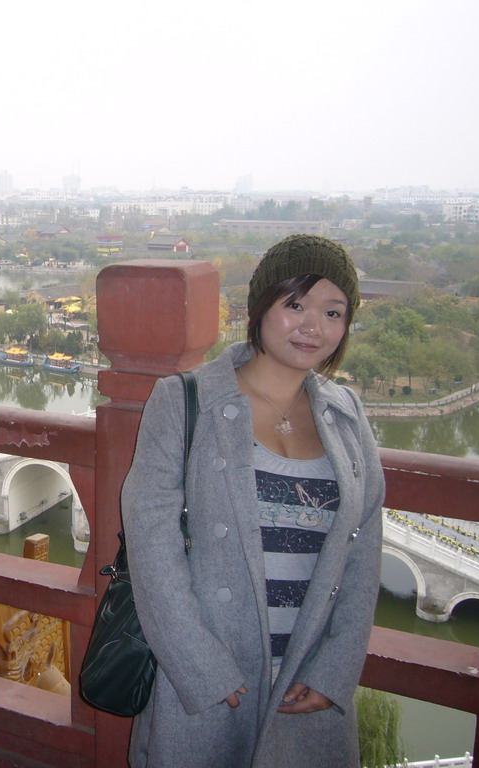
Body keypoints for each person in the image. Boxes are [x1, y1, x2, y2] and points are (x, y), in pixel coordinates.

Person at [121, 234, 385, 768]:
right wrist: (200, 666)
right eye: (295, 305)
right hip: (213, 670)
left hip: (304, 675)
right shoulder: (184, 400)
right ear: (261, 305)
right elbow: (152, 544)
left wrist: (334, 670)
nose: (313, 326)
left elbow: (363, 548)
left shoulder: (347, 414)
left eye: (332, 312)